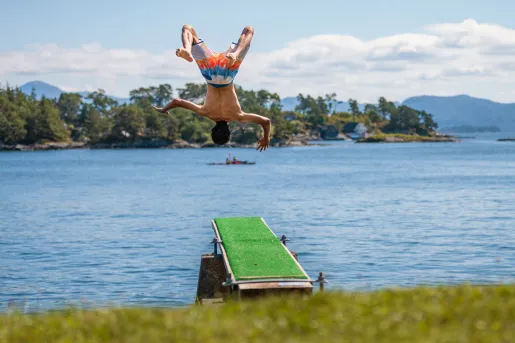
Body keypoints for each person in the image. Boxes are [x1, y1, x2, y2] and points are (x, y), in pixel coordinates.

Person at [153, 24, 271, 152]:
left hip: (227, 74)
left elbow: (266, 121)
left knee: (249, 30)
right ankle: (187, 49)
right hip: (210, 73)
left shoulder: (238, 115)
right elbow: (177, 102)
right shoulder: (205, 112)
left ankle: (235, 54)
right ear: (212, 129)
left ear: (229, 130)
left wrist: (266, 138)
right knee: (188, 29)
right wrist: (164, 109)